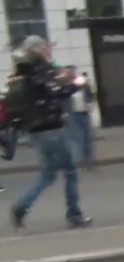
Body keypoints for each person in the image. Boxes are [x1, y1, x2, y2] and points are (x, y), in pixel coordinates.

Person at [10, 35, 92, 229]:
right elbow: (55, 92)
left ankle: (22, 206)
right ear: (39, 49)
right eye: (47, 47)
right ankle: (74, 214)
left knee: (47, 175)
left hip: (37, 130)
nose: (50, 50)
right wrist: (77, 85)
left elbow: (46, 91)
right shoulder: (41, 70)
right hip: (51, 129)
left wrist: (62, 80)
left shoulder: (27, 71)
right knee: (70, 171)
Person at [67, 66, 96, 170]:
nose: (71, 74)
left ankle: (89, 161)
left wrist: (90, 106)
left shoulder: (83, 85)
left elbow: (91, 96)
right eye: (69, 72)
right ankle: (80, 161)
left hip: (83, 113)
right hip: (73, 115)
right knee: (78, 139)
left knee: (87, 138)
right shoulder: (66, 86)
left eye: (73, 72)